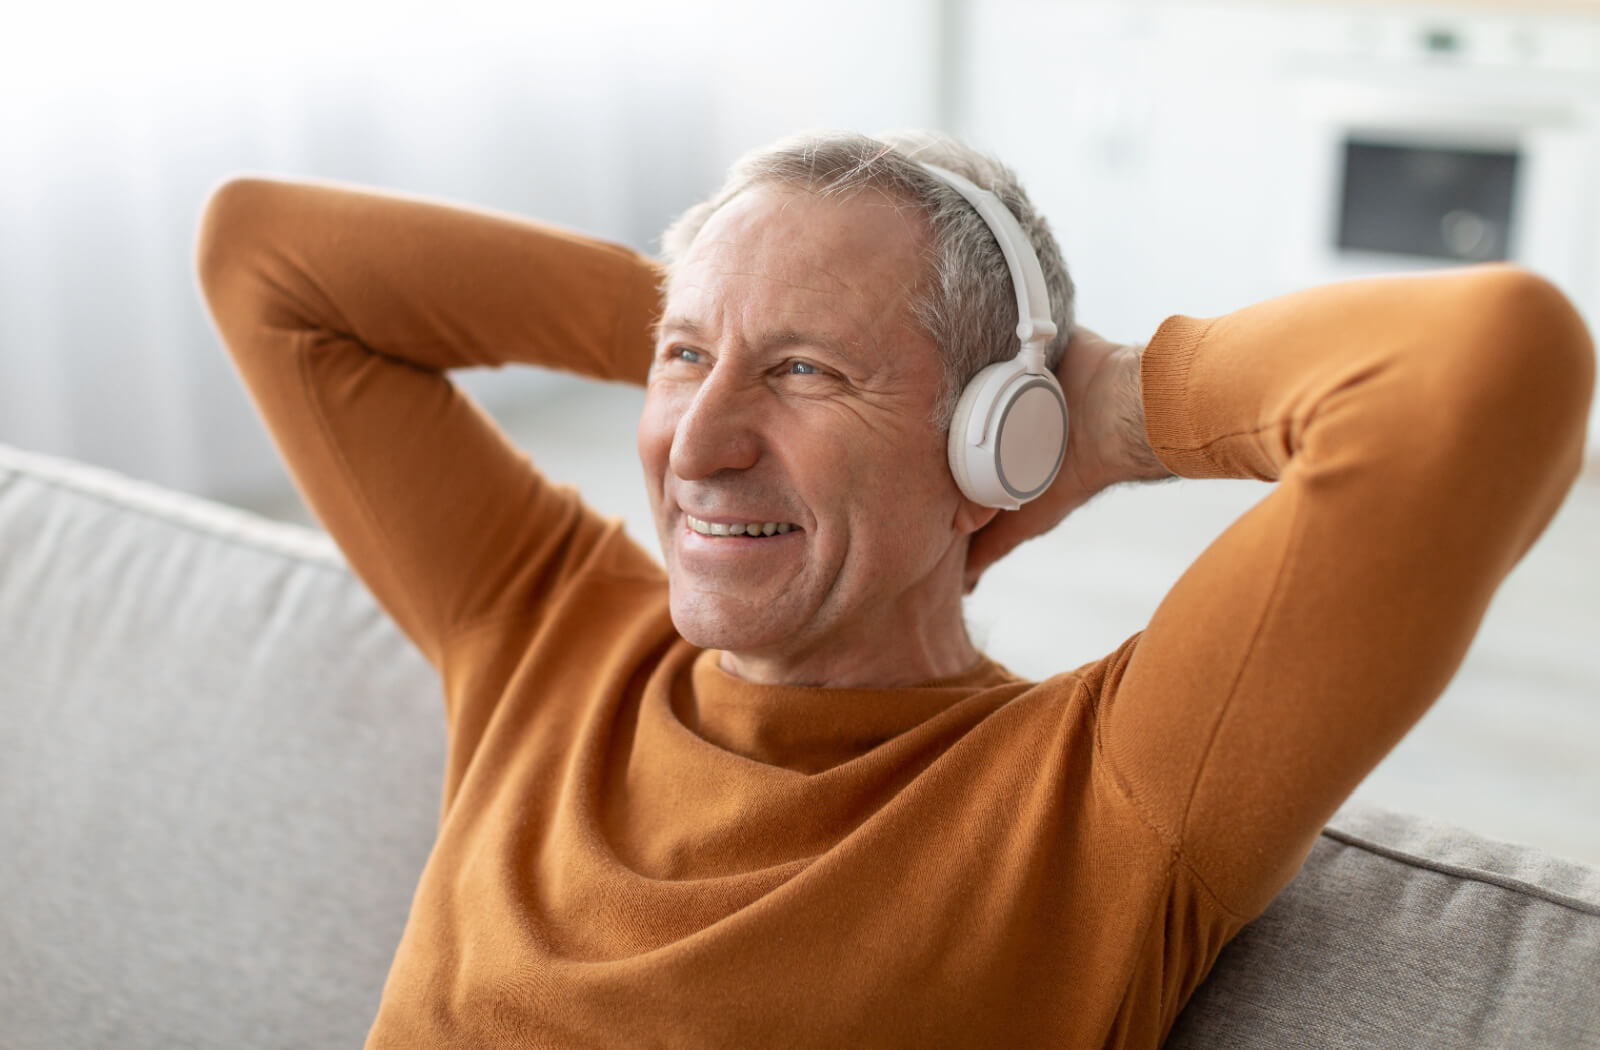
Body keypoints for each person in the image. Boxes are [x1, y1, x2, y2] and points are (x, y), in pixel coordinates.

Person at [195, 130, 1593, 1049]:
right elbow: (263, 255)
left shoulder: (1098, 799)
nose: (697, 444)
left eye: (809, 372)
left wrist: (1105, 410)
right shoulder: (550, 633)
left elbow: (1494, 362)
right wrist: (722, 305)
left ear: (997, 431)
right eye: (681, 365)